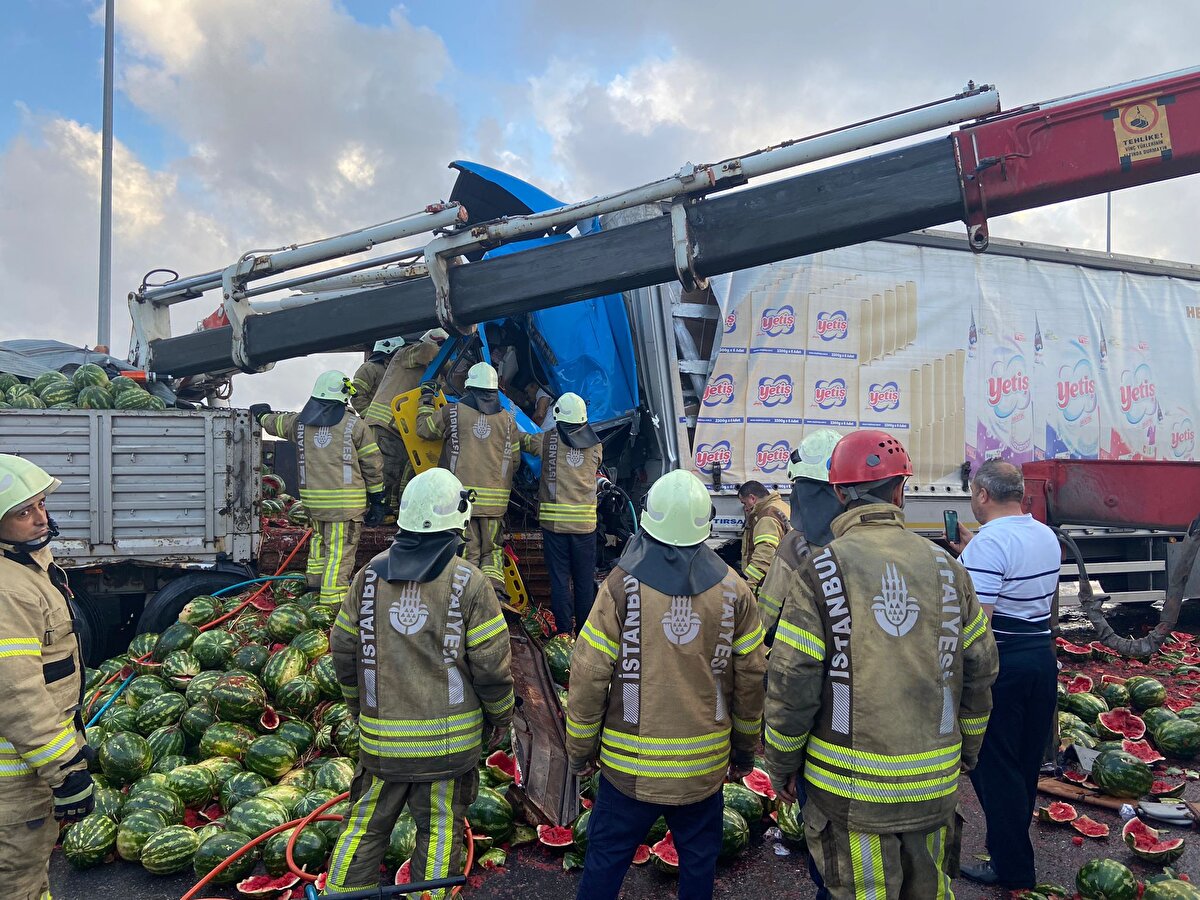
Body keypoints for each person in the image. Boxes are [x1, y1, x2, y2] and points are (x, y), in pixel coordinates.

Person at [764, 430, 999, 900]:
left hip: (851, 797)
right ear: (899, 491)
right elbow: (981, 669)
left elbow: (793, 680)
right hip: (933, 786)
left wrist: (780, 764)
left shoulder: (820, 571)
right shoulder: (947, 567)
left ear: (838, 493)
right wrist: (967, 751)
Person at [566, 469, 767, 900]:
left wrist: (580, 750)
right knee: (698, 863)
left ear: (649, 520)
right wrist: (744, 750)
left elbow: (588, 674)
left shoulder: (621, 586)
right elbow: (751, 679)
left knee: (605, 861)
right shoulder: (735, 590)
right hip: (703, 769)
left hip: (629, 768)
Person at [325, 467, 515, 898]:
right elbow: (491, 666)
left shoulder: (367, 577)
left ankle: (339, 895)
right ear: (458, 522)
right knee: (441, 828)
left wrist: (359, 707)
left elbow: (342, 650)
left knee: (364, 825)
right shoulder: (469, 581)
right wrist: (501, 716)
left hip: (381, 744)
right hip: (448, 747)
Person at [950, 459, 1061, 891]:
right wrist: (970, 557)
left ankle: (1014, 868)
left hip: (1004, 661)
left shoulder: (988, 544)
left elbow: (981, 623)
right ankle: (1008, 853)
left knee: (994, 768)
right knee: (1025, 764)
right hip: (1039, 658)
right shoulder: (1045, 535)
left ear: (981, 494)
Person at [0, 454, 94, 900]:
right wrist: (66, 770)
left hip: (29, 769)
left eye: (40, 505)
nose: (41, 518)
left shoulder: (26, 566)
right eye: (24, 512)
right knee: (16, 882)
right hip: (13, 780)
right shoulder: (6, 590)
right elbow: (18, 694)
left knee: (35, 876)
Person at [250, 371, 385, 604]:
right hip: (345, 507)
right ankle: (332, 601)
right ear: (344, 396)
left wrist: (262, 416)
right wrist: (378, 499)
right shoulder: (354, 426)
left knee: (319, 543)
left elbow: (277, 423)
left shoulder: (301, 424)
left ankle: (313, 585)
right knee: (339, 554)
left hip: (313, 504)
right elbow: (372, 465)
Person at [416, 361, 520, 598]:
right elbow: (515, 460)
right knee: (492, 549)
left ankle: (468, 595)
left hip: (462, 500)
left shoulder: (453, 412)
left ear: (469, 387)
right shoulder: (508, 421)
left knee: (469, 549)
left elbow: (423, 429)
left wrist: (425, 400)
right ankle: (494, 593)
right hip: (496, 502)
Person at [520, 392, 603, 635]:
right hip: (585, 529)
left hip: (554, 527)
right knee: (584, 582)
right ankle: (585, 634)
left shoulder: (547, 441)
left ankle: (564, 634)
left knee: (559, 580)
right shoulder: (596, 445)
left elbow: (526, 442)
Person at [756, 428, 843, 640]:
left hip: (806, 660)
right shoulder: (870, 539)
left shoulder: (794, 546)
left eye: (797, 485)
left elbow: (766, 612)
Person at [360, 329, 447, 513]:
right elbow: (428, 351)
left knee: (396, 475)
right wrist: (451, 355)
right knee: (385, 474)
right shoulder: (407, 354)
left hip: (399, 429)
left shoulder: (431, 372)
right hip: (386, 425)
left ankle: (386, 514)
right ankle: (375, 514)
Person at [737, 480, 791, 593]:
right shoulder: (781, 507)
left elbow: (765, 555)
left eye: (744, 503)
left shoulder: (766, 517)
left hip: (771, 587)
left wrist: (747, 583)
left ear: (752, 498)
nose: (745, 508)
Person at [349, 335, 405, 417]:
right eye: (398, 351)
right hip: (376, 425)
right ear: (389, 351)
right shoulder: (369, 368)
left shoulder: (397, 370)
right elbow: (357, 397)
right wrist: (372, 418)